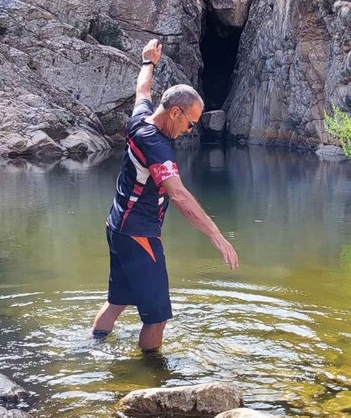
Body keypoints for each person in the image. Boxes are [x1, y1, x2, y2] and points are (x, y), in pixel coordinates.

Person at [91, 38, 240, 352]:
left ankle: (91, 349)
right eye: (190, 123)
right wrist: (216, 235)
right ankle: (152, 378)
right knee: (157, 318)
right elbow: (180, 196)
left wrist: (149, 62)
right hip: (138, 234)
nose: (190, 130)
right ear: (175, 112)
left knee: (117, 302)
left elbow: (142, 91)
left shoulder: (140, 119)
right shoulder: (157, 148)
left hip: (117, 227)